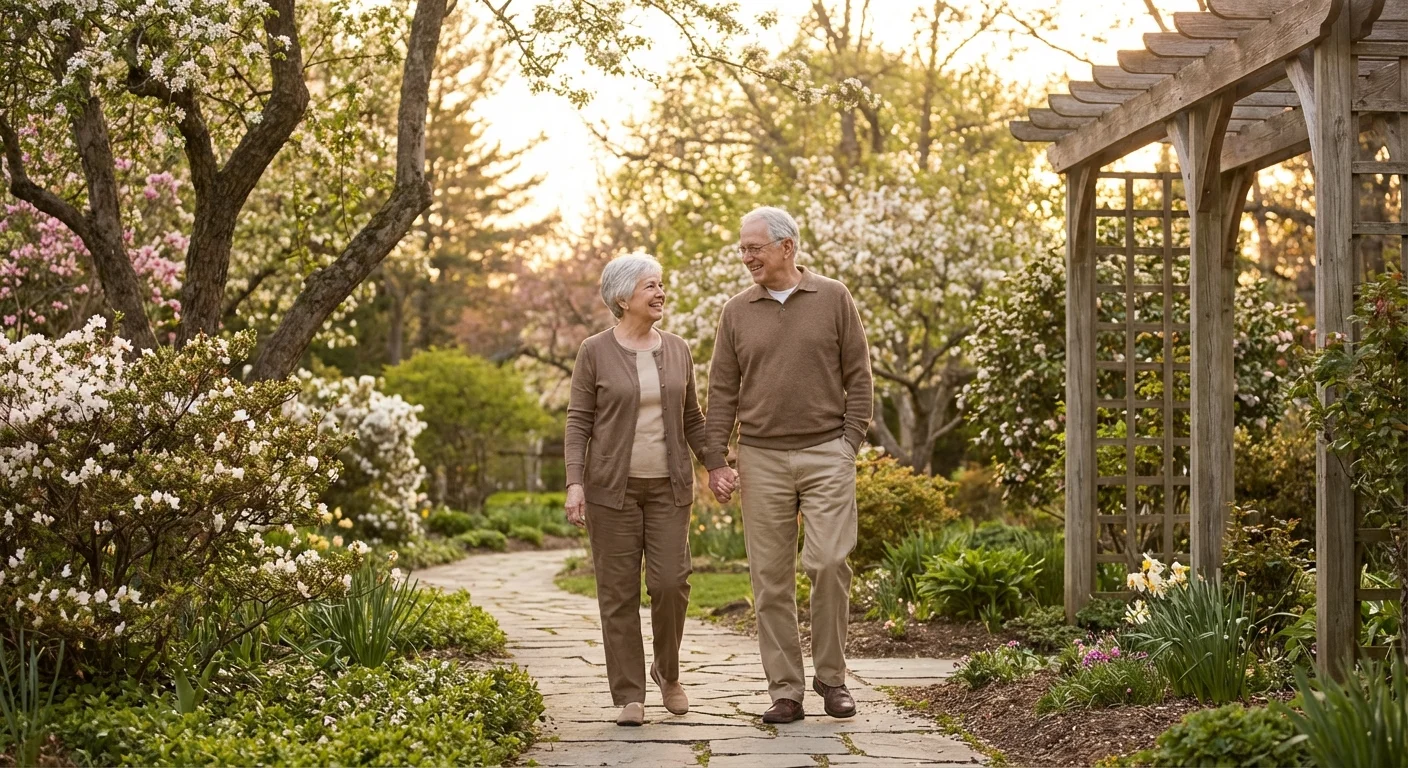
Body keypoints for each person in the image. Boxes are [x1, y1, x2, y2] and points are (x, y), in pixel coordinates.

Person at [704, 206, 873, 725]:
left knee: (828, 562)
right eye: (742, 248)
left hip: (827, 451)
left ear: (787, 247)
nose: (746, 256)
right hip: (761, 456)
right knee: (769, 580)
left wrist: (848, 443)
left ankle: (832, 677)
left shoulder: (833, 297)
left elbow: (859, 376)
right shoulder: (736, 311)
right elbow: (721, 391)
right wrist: (716, 459)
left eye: (754, 247)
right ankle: (786, 690)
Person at [563, 253, 708, 727]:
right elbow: (579, 421)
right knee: (618, 593)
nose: (660, 292)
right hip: (612, 492)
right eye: (650, 286)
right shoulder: (594, 351)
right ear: (623, 298)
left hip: (669, 488)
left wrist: (717, 464)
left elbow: (692, 419)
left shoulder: (679, 349)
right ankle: (629, 694)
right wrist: (575, 483)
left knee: (671, 584)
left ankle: (667, 672)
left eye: (661, 284)